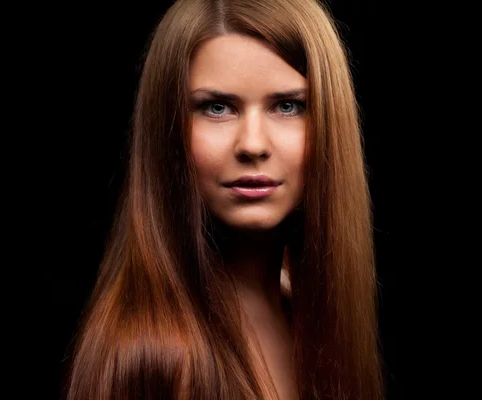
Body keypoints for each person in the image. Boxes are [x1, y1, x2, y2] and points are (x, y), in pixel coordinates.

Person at [66, 0, 383, 399]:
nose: (252, 144)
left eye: (288, 106)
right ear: (168, 129)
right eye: (217, 108)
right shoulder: (155, 357)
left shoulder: (307, 310)